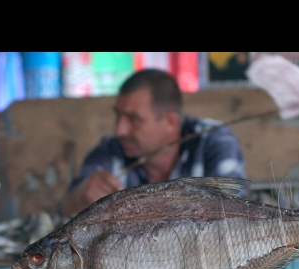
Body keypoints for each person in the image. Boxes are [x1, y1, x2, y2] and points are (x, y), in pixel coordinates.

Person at [60, 69, 246, 217]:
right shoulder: (110, 152)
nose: (120, 130)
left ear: (170, 122)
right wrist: (82, 195)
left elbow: (233, 215)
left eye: (134, 119)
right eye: (118, 116)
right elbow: (64, 210)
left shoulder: (214, 141)